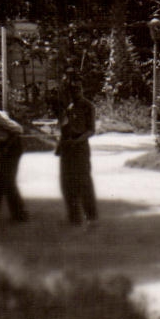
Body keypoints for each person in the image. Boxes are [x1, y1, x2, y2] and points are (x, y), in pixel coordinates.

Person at [56, 86, 98, 225]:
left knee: (83, 182)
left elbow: (91, 130)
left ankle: (91, 216)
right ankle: (74, 217)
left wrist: (77, 141)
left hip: (80, 147)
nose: (74, 92)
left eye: (77, 89)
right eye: (72, 89)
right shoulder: (68, 106)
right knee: (67, 182)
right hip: (67, 148)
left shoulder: (88, 106)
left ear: (81, 90)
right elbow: (63, 127)